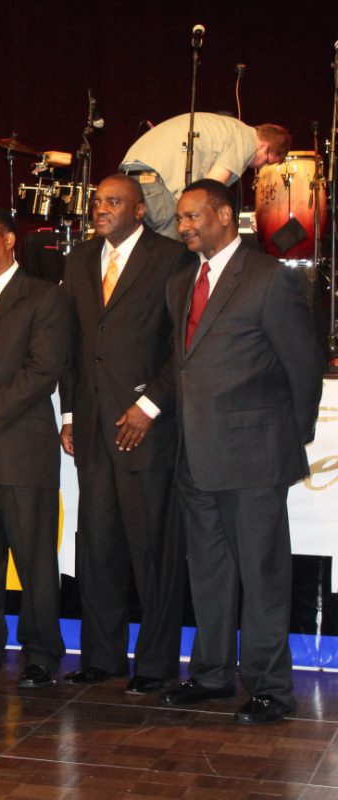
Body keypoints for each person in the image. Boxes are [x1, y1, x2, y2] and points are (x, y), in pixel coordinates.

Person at [160, 179, 323, 725]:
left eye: (192, 217)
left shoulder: (267, 278)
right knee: (208, 574)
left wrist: (287, 438)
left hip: (254, 457)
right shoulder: (180, 282)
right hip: (195, 456)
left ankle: (271, 687)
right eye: (180, 219)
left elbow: (304, 366)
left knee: (262, 576)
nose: (183, 227)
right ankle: (210, 675)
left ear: (225, 216)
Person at [60, 174, 188, 694]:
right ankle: (102, 656)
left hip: (146, 429)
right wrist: (69, 414)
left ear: (140, 211)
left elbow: (183, 346)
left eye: (113, 202)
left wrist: (150, 404)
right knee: (98, 546)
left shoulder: (171, 257)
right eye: (97, 201)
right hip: (92, 427)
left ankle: (156, 664)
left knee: (152, 547)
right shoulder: (80, 258)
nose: (101, 209)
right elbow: (72, 343)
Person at [0, 208, 70, 688]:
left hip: (21, 448)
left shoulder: (44, 297)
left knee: (33, 559)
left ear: (9, 240)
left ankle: (42, 653)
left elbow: (42, 371)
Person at [120, 113, 290, 239]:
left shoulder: (230, 128)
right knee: (176, 252)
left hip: (131, 173)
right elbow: (208, 189)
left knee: (145, 252)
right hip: (156, 181)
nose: (262, 167)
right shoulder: (246, 141)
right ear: (264, 146)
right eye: (268, 161)